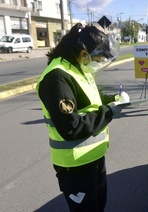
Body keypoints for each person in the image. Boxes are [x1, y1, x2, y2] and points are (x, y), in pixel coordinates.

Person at [36, 23, 129, 211]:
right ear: (84, 53)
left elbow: (93, 97)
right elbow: (71, 127)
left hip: (94, 159)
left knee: (98, 206)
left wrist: (115, 99)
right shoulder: (57, 78)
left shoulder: (78, 68)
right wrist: (110, 111)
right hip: (75, 167)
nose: (100, 62)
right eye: (99, 57)